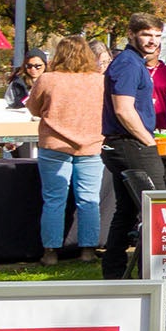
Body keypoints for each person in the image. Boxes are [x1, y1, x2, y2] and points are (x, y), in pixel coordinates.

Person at [100, 15, 166, 279]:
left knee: (127, 210)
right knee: (159, 209)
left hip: (124, 142)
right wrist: (148, 141)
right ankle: (150, 274)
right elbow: (123, 109)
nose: (152, 41)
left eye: (157, 36)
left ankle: (115, 272)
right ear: (131, 35)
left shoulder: (133, 63)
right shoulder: (128, 64)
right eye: (146, 35)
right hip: (129, 142)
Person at [27, 35, 105, 265]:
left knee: (53, 200)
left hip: (54, 145)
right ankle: (88, 250)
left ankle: (50, 252)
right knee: (89, 200)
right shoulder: (99, 80)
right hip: (91, 145)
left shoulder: (48, 79)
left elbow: (33, 108)